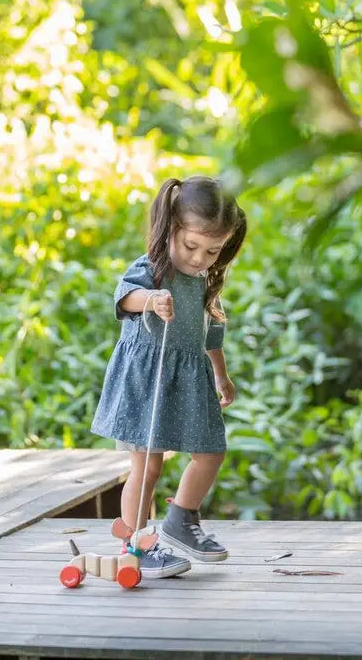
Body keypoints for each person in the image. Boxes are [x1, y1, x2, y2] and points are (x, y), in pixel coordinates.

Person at [91, 175, 247, 578]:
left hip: (191, 377)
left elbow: (211, 334)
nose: (200, 259)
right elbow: (124, 297)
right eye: (192, 245)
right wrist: (153, 298)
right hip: (147, 378)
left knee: (211, 451)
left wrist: (220, 374)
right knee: (148, 468)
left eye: (213, 250)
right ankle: (137, 545)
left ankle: (182, 518)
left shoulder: (204, 284)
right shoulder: (152, 270)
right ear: (171, 229)